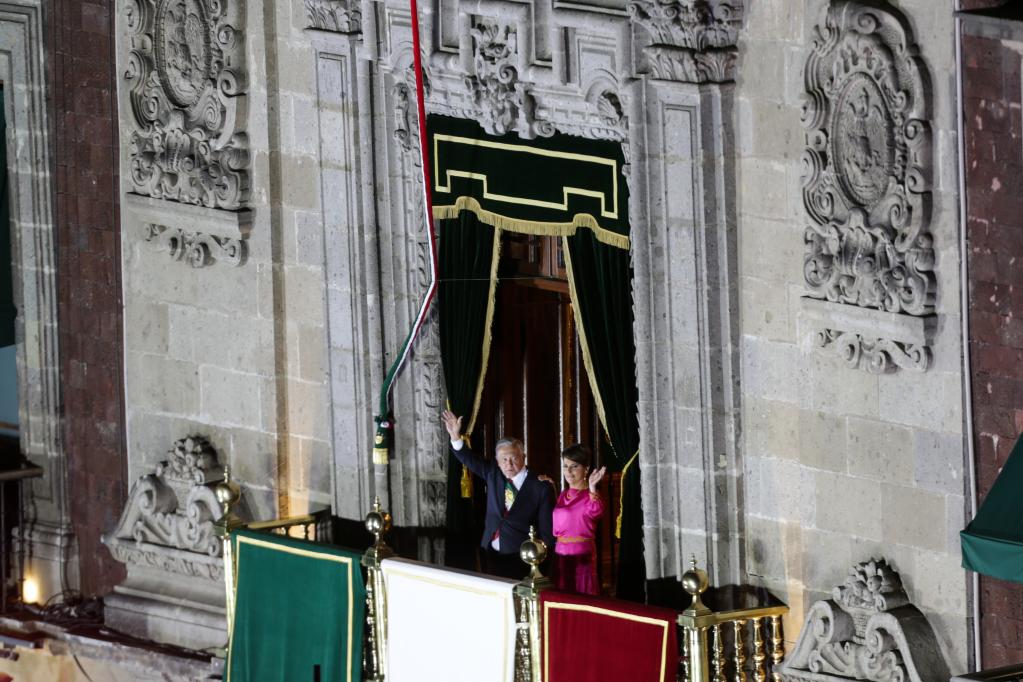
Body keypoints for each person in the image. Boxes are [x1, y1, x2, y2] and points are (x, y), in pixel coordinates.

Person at [442, 410, 555, 580]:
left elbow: (547, 531)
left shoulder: (540, 486)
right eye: (503, 459)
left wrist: (544, 563)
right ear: (497, 460)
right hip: (491, 550)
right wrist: (455, 435)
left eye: (514, 458)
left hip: (522, 556)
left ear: (523, 457)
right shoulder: (493, 473)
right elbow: (469, 458)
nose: (508, 464)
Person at [551, 444, 606, 595]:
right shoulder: (563, 494)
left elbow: (596, 512)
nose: (568, 471)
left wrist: (593, 488)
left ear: (586, 469)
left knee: (581, 599)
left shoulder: (590, 495)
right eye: (565, 466)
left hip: (581, 556)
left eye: (574, 466)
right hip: (561, 555)